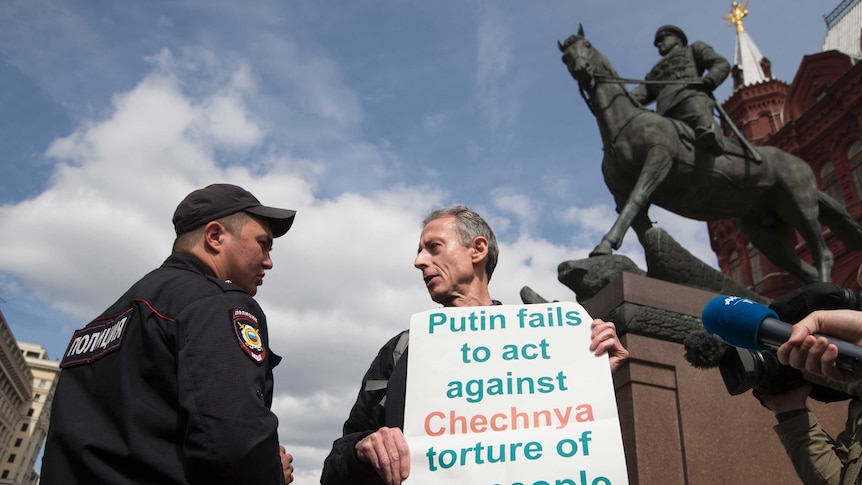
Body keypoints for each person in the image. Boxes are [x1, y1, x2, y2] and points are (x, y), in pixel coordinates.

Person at [319, 205, 629, 485]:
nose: (418, 261)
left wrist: (595, 375)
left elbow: (569, 436)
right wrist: (362, 449)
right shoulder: (400, 351)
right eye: (419, 251)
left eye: (433, 248)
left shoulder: (540, 341)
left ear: (477, 249)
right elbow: (334, 466)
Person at [41, 183, 297, 484]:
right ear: (215, 236)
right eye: (262, 243)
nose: (268, 261)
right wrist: (271, 474)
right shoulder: (217, 303)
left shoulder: (103, 321)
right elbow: (233, 440)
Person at [630, 24, 730, 156]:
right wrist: (612, 97)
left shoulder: (694, 49)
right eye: (658, 42)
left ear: (677, 39)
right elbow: (639, 94)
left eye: (663, 38)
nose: (659, 44)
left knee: (697, 113)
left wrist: (710, 79)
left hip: (689, 96)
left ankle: (712, 139)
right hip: (664, 113)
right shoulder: (654, 72)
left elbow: (721, 64)